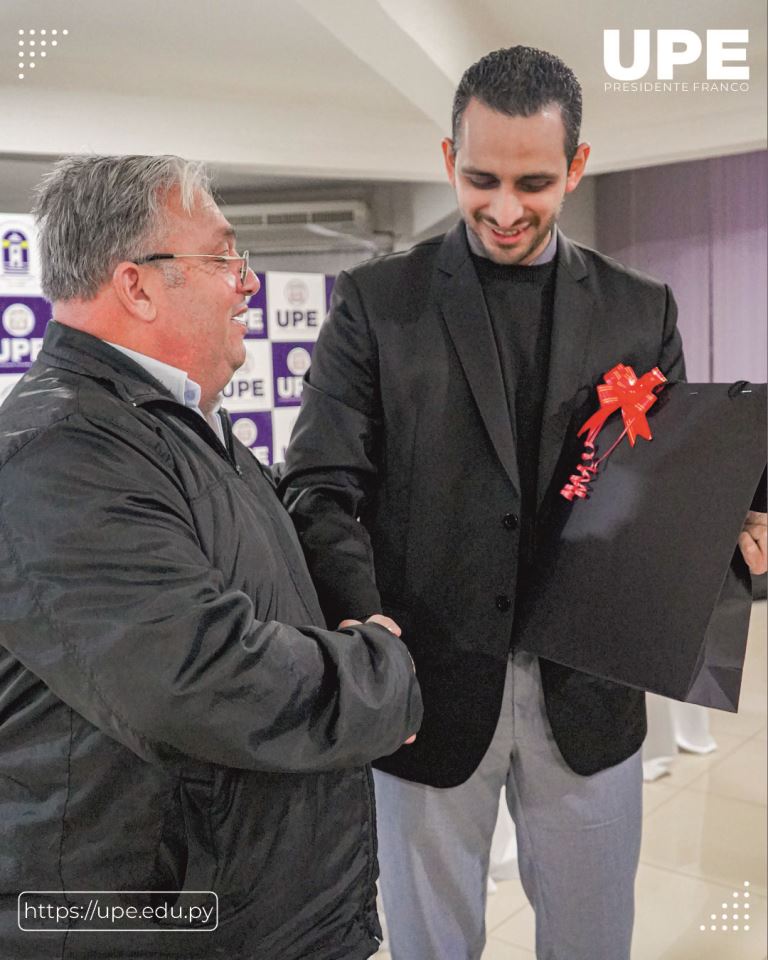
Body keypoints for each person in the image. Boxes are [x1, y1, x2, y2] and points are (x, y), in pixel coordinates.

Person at [281, 46, 768, 960]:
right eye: (481, 179)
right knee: (431, 944)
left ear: (579, 167)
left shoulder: (640, 308)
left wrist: (734, 529)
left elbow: (660, 489)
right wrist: (369, 632)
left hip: (588, 691)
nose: (505, 209)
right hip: (423, 682)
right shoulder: (378, 305)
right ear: (447, 160)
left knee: (592, 941)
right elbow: (318, 486)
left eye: (535, 182)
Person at [0, 154, 422, 960]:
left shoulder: (177, 425)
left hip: (263, 912)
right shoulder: (58, 455)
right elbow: (199, 676)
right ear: (137, 285)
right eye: (226, 258)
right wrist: (383, 678)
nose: (248, 283)